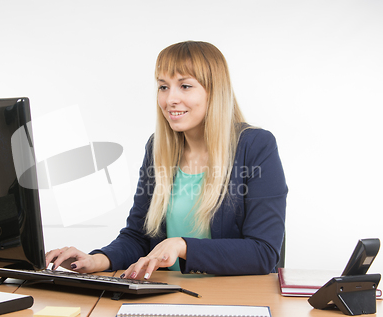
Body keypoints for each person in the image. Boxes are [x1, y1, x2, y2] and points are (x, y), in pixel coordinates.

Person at [46, 41, 287, 280]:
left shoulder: (255, 146)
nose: (170, 99)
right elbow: (139, 236)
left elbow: (263, 252)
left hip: (232, 300)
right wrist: (95, 260)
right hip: (167, 293)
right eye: (163, 87)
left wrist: (182, 246)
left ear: (214, 91)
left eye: (185, 86)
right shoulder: (158, 149)